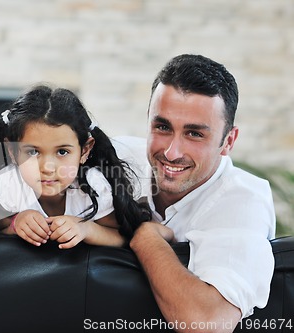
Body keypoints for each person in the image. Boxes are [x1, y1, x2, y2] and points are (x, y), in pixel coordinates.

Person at [114, 54, 275, 332]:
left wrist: (145, 236)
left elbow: (208, 323)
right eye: (162, 127)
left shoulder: (244, 201)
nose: (171, 152)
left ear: (228, 141)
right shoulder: (117, 158)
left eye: (195, 134)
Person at [0, 85, 151, 249]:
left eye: (62, 152)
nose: (47, 168)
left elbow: (122, 237)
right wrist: (16, 224)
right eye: (32, 152)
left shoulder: (93, 188)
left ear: (84, 150)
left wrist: (87, 229)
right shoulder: (10, 183)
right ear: (13, 151)